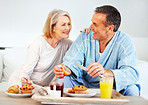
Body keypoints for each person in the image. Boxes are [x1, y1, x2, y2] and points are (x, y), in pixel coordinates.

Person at [54, 5, 140, 96]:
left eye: (95, 24)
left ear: (109, 28)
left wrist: (106, 72)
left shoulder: (125, 42)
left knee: (132, 90)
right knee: (63, 80)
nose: (91, 27)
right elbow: (71, 61)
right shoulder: (85, 36)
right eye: (92, 23)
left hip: (112, 87)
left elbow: (131, 73)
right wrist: (64, 68)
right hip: (84, 86)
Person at [9, 9, 72, 87]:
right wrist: (24, 80)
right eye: (63, 25)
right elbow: (25, 72)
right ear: (53, 27)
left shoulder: (67, 44)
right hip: (21, 82)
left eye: (69, 24)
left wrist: (87, 32)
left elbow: (81, 50)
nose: (68, 28)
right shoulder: (38, 43)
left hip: (41, 88)